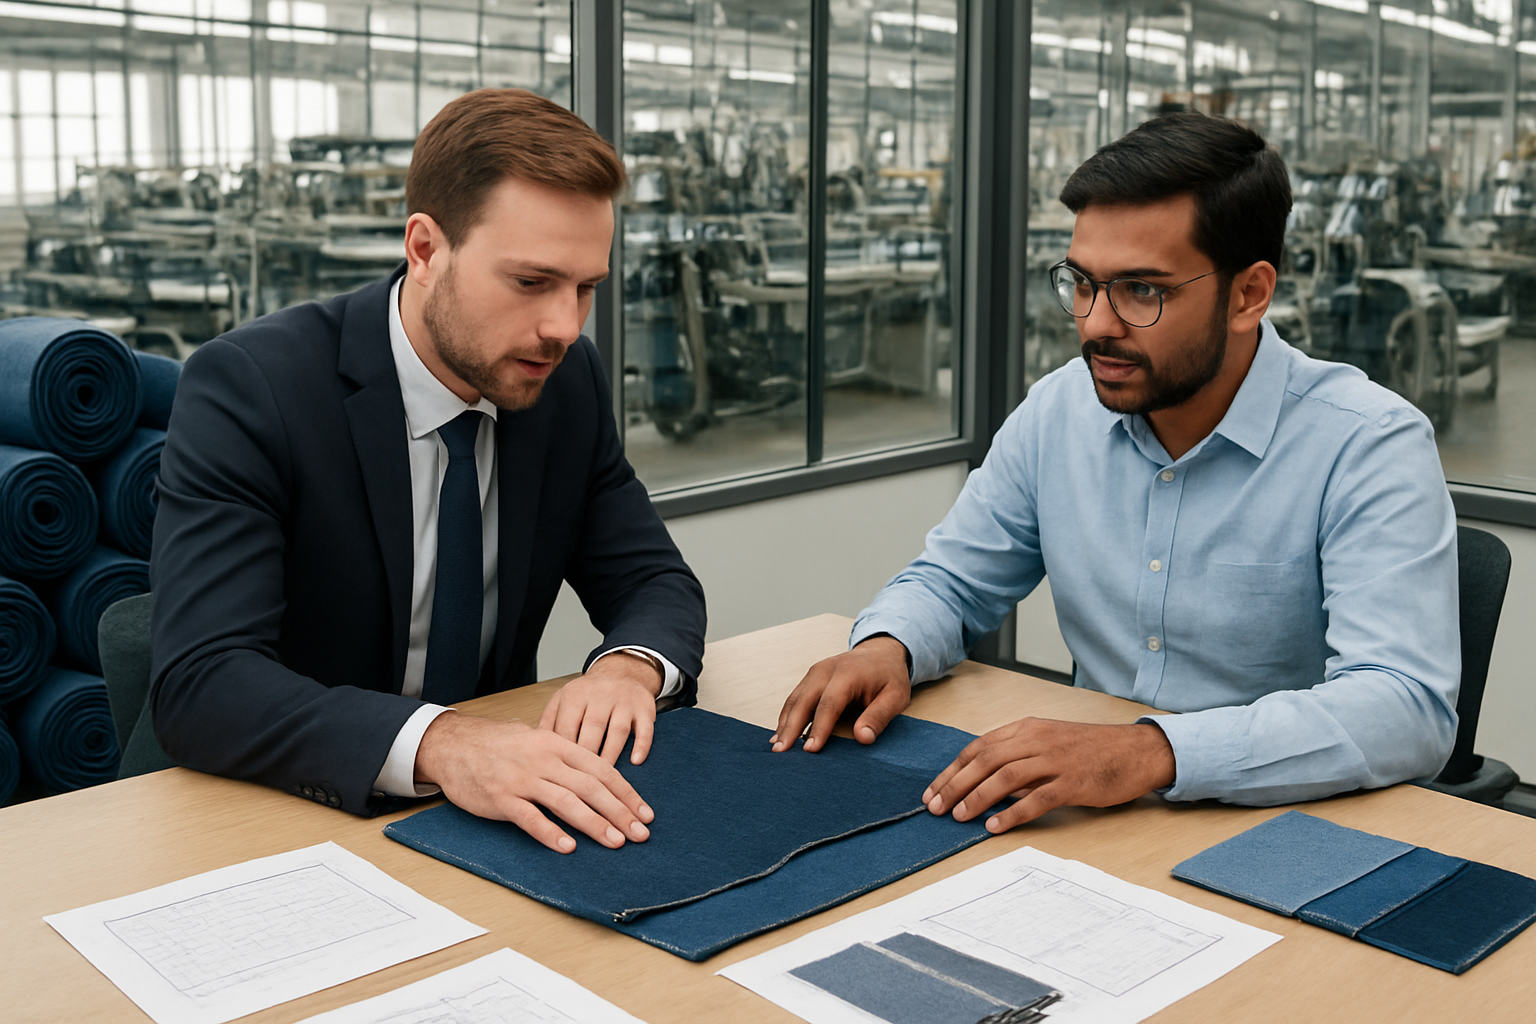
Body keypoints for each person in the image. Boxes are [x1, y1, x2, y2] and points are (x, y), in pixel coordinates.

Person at [773, 111, 1459, 833]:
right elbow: (953, 582)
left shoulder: (1367, 443)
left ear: (1249, 295)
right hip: (1092, 817)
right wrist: (890, 646)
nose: (1097, 322)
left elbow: (1404, 706)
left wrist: (1149, 752)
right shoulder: (1059, 411)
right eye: (1083, 283)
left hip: (1281, 828)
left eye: (1143, 291)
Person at [150, 89, 706, 854]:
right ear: (424, 249)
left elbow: (653, 580)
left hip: (493, 821)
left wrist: (627, 668)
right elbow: (204, 683)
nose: (564, 327)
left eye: (586, 288)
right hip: (293, 819)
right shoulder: (254, 388)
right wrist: (445, 744)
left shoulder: (564, 383)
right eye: (532, 281)